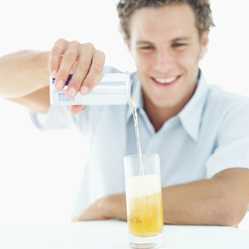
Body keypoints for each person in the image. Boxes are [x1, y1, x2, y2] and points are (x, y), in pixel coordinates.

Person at [0, 0, 249, 226]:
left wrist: (109, 205)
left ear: (203, 42)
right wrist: (53, 63)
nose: (162, 64)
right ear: (128, 45)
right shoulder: (98, 89)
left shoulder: (233, 113)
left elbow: (228, 203)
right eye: (146, 47)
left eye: (178, 45)